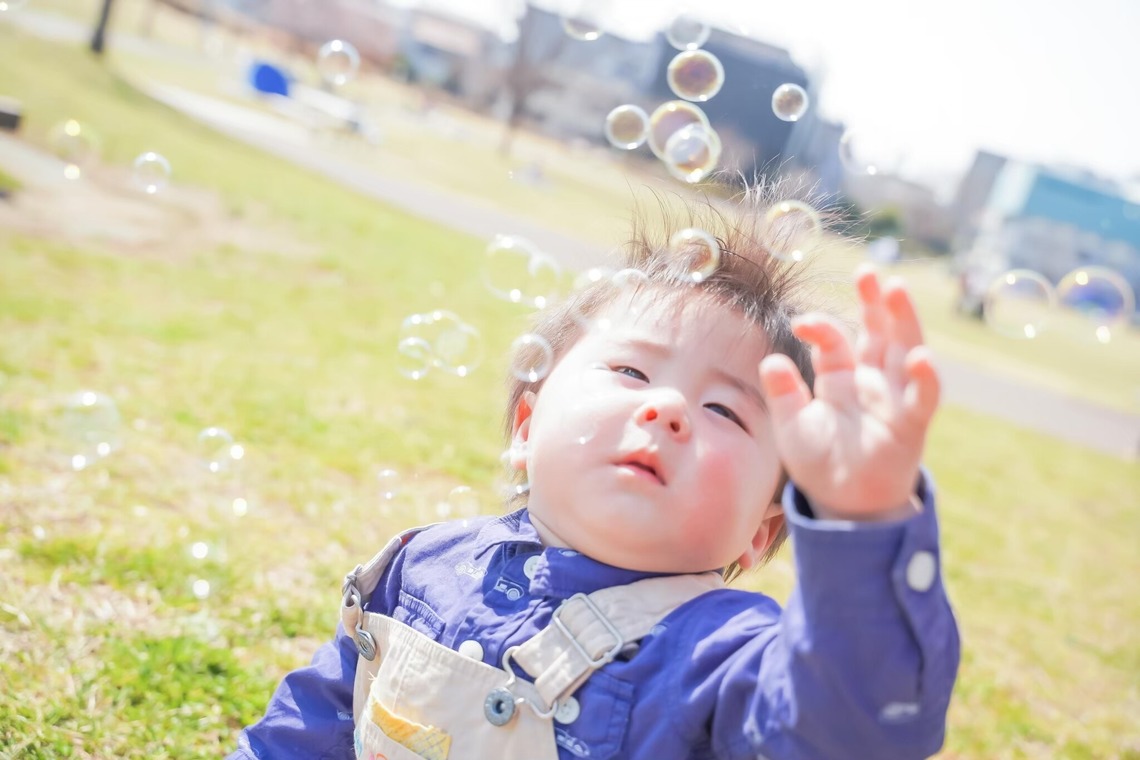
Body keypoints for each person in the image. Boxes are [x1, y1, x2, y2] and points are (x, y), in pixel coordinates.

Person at [227, 189, 960, 760]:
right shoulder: (421, 565)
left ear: (760, 532)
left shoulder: (725, 655)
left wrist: (864, 522)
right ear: (526, 428)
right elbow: (316, 723)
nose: (668, 409)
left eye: (724, 411)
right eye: (632, 371)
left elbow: (856, 728)